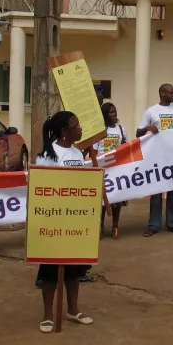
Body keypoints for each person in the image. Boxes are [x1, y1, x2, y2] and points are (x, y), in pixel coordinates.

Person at [35, 111, 95, 332]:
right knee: (51, 271)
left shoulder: (78, 154)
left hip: (75, 222)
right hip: (54, 222)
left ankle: (73, 309)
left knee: (74, 269)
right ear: (63, 131)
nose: (80, 130)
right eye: (76, 126)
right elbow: (42, 187)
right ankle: (48, 315)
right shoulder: (47, 155)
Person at [137, 84, 173, 237]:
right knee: (156, 192)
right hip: (156, 157)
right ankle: (153, 225)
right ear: (162, 93)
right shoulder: (151, 111)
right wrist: (148, 128)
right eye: (171, 93)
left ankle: (171, 223)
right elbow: (138, 133)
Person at [94, 103, 128, 239]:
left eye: (115, 112)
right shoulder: (100, 131)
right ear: (105, 115)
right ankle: (101, 226)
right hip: (104, 170)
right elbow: (95, 151)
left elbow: (126, 148)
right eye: (111, 112)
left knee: (117, 200)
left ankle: (115, 226)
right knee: (103, 199)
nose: (114, 114)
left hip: (117, 169)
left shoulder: (121, 129)